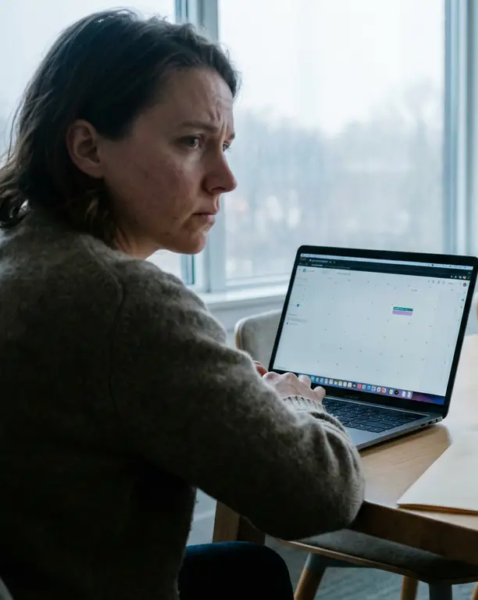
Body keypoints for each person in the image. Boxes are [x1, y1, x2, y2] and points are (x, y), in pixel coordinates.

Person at [0, 9, 364, 600]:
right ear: (89, 147)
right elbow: (320, 495)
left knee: (250, 570)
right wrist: (298, 403)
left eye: (225, 145)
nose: (225, 179)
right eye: (192, 142)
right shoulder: (127, 302)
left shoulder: (18, 252)